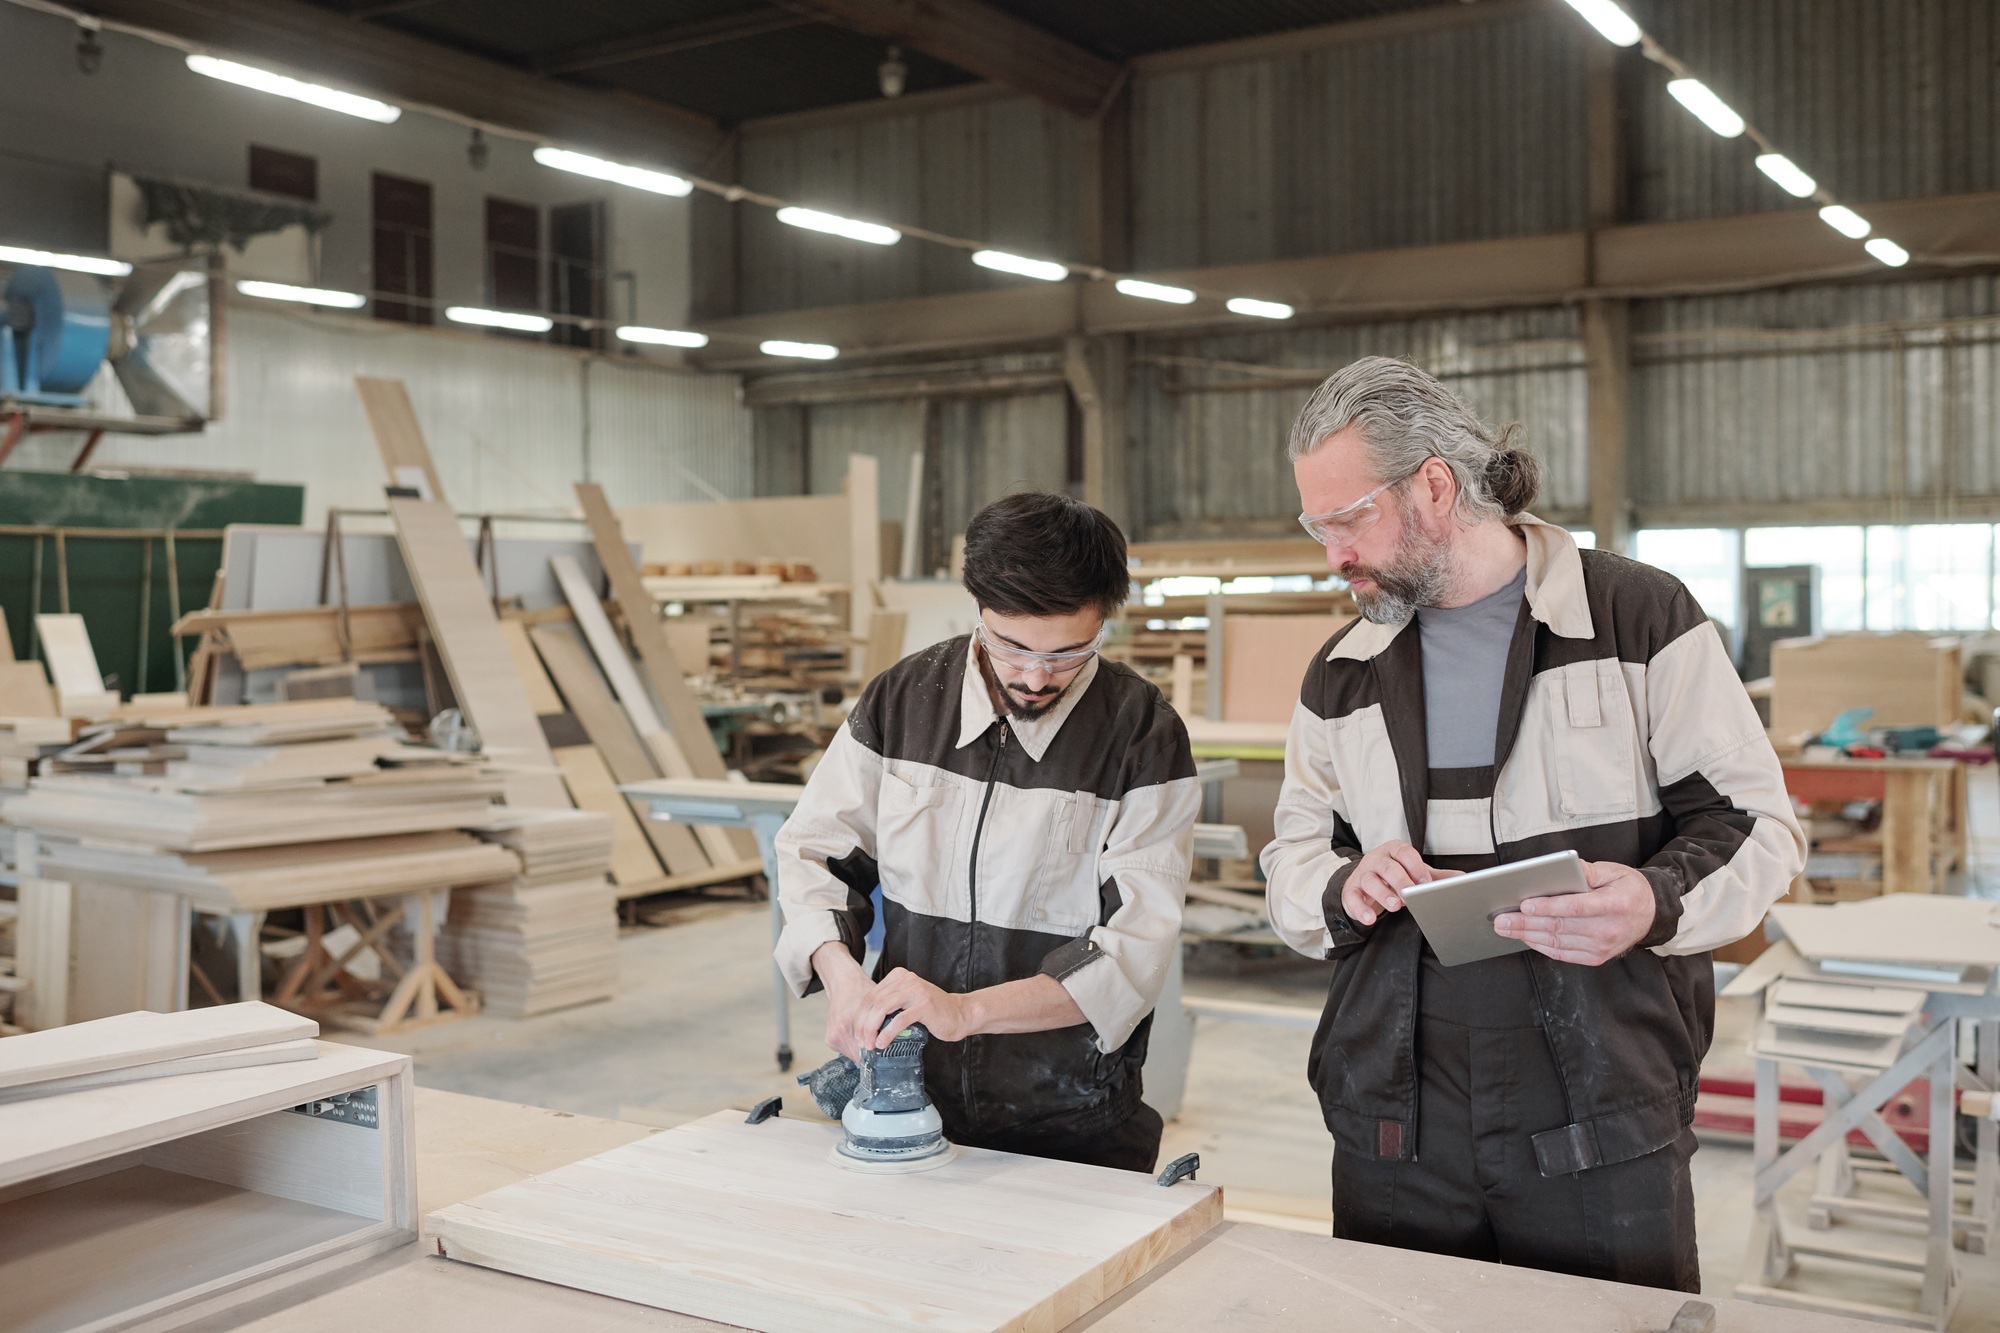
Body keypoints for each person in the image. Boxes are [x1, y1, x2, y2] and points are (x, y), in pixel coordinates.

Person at [1261, 356, 1805, 1290]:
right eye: (1319, 528)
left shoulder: (1638, 617)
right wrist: (1342, 886)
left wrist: (1651, 898)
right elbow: (1293, 859)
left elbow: (1756, 823)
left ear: (1435, 484)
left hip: (1602, 1109)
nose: (1334, 556)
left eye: (1349, 521)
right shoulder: (1341, 671)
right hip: (1397, 1118)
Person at [774, 490, 1199, 1172]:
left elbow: (1131, 954)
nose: (1036, 675)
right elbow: (812, 853)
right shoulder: (903, 701)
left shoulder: (1143, 735)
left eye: (1069, 652)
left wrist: (965, 1010)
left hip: (1072, 1116)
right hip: (912, 1099)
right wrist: (842, 976)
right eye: (1012, 645)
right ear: (976, 604)